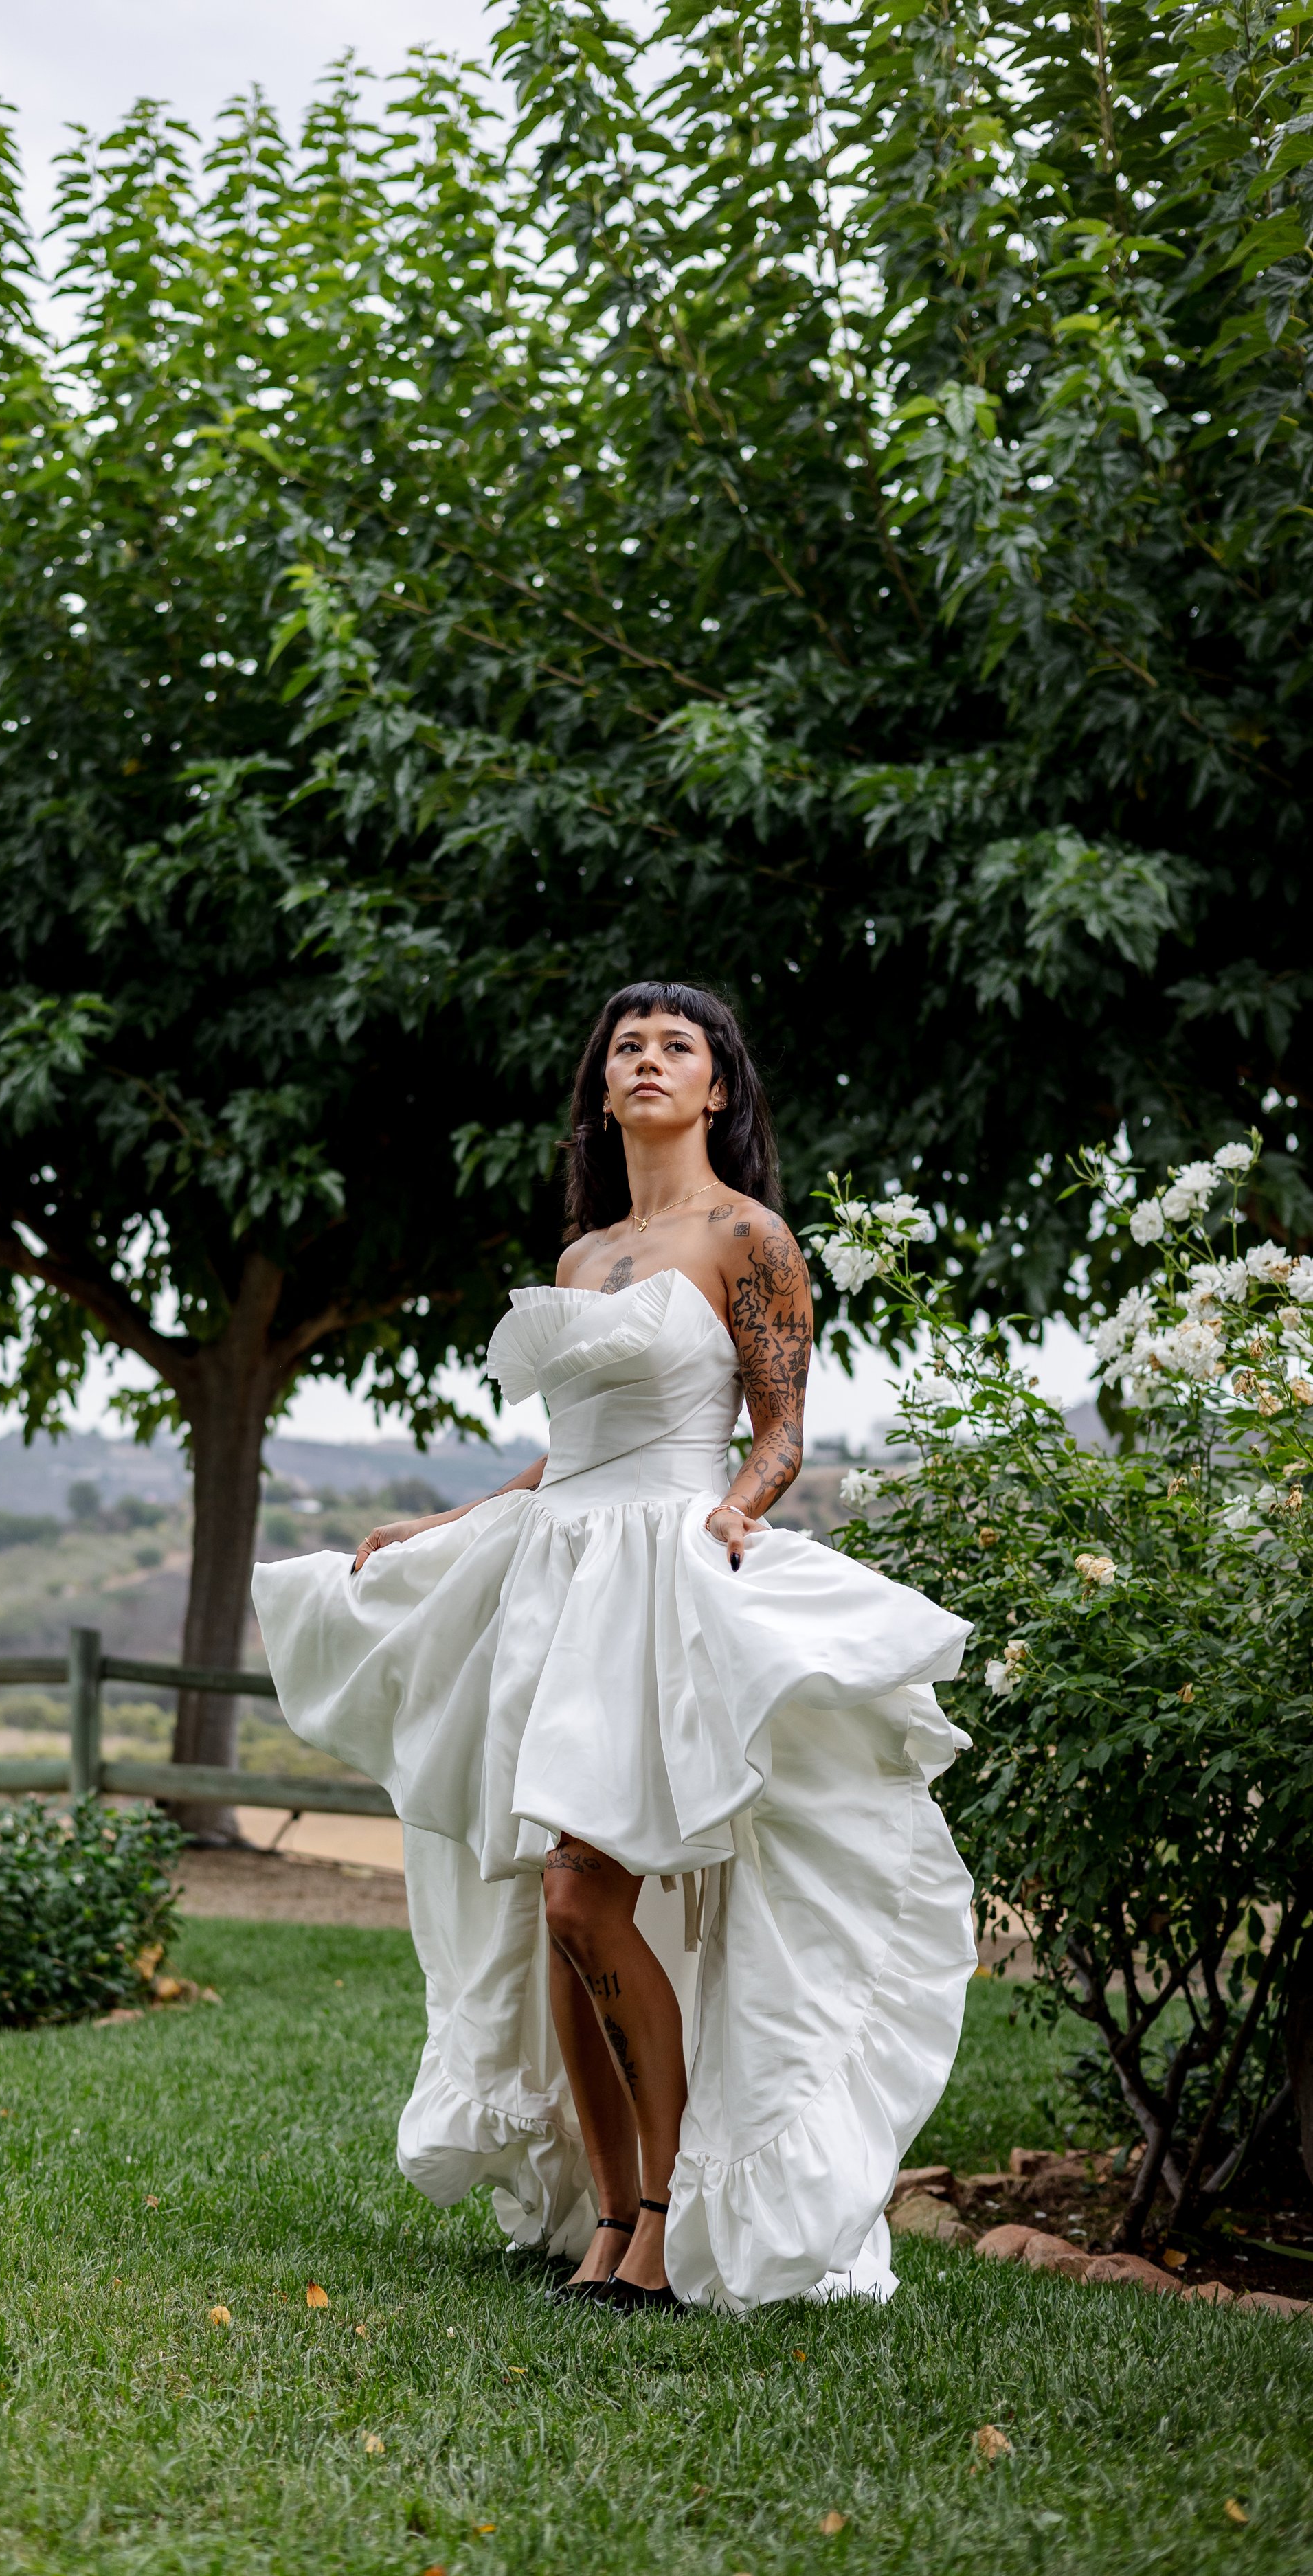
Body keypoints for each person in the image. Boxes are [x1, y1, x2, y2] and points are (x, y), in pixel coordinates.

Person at [253, 981, 973, 2314]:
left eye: (675, 1046)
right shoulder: (584, 1256)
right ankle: (607, 2215)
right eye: (626, 1046)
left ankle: (667, 2212)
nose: (647, 1060)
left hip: (660, 1582)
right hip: (557, 1583)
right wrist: (451, 1521)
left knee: (587, 1895)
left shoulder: (749, 1236)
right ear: (601, 1087)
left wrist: (738, 1510)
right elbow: (568, 1451)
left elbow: (779, 1428)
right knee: (558, 1910)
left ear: (716, 1087)